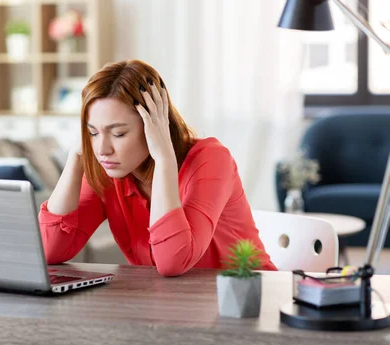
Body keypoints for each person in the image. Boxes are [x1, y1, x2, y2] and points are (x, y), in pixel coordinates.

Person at [38, 59, 276, 276]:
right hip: (171, 306)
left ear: (154, 125)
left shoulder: (211, 160)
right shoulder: (109, 169)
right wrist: (76, 158)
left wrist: (163, 158)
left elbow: (173, 262)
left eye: (119, 133)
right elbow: (49, 251)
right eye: (92, 132)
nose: (103, 149)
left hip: (248, 301)